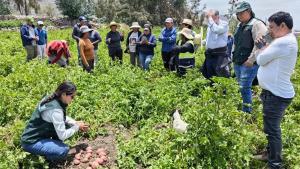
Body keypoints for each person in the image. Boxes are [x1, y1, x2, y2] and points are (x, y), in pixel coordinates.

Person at [254, 12, 298, 169]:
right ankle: (269, 154)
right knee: (270, 128)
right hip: (274, 93)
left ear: (283, 26)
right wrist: (265, 48)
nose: (269, 31)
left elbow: (260, 60)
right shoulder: (284, 41)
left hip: (276, 95)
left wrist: (260, 48)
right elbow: (267, 58)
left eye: (271, 27)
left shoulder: (283, 42)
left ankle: (275, 164)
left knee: (272, 131)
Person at [21, 81, 89, 162]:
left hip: (36, 135)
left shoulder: (51, 98)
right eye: (72, 97)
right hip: (31, 142)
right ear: (63, 94)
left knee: (69, 125)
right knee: (63, 150)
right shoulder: (56, 110)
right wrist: (77, 127)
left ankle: (50, 147)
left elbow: (60, 118)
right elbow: (62, 135)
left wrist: (75, 122)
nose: (73, 99)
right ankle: (48, 158)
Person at [232, 1, 268, 113]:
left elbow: (261, 43)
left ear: (249, 11)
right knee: (242, 87)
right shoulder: (240, 25)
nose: (239, 16)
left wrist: (251, 60)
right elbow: (236, 42)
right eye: (238, 14)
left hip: (248, 63)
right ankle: (246, 106)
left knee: (244, 87)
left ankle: (247, 113)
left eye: (241, 13)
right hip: (238, 61)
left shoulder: (257, 24)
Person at [201, 10, 230, 79]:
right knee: (209, 74)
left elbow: (217, 30)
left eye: (211, 17)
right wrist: (205, 41)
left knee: (220, 75)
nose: (209, 19)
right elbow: (211, 37)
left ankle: (221, 90)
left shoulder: (224, 24)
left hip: (219, 55)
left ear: (217, 16)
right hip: (210, 54)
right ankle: (211, 88)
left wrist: (210, 19)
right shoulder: (210, 25)